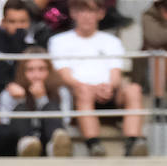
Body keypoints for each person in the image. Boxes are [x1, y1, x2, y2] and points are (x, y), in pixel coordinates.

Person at [49, 0, 146, 155]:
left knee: (134, 90)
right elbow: (65, 75)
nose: (87, 16)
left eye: (91, 11)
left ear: (100, 13)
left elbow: (115, 73)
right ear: (73, 13)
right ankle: (94, 144)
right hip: (79, 94)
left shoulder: (112, 41)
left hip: (109, 92)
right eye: (82, 11)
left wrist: (109, 87)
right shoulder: (58, 41)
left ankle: (133, 143)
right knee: (84, 91)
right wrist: (91, 88)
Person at [0, 46, 72, 154]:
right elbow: (6, 125)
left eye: (42, 69)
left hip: (48, 140)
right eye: (30, 70)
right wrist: (20, 100)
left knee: (51, 107)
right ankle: (27, 145)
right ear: (22, 71)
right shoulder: (9, 94)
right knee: (21, 109)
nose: (36, 76)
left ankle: (54, 149)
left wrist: (42, 99)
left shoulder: (61, 91)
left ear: (49, 70)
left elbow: (64, 122)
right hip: (19, 143)